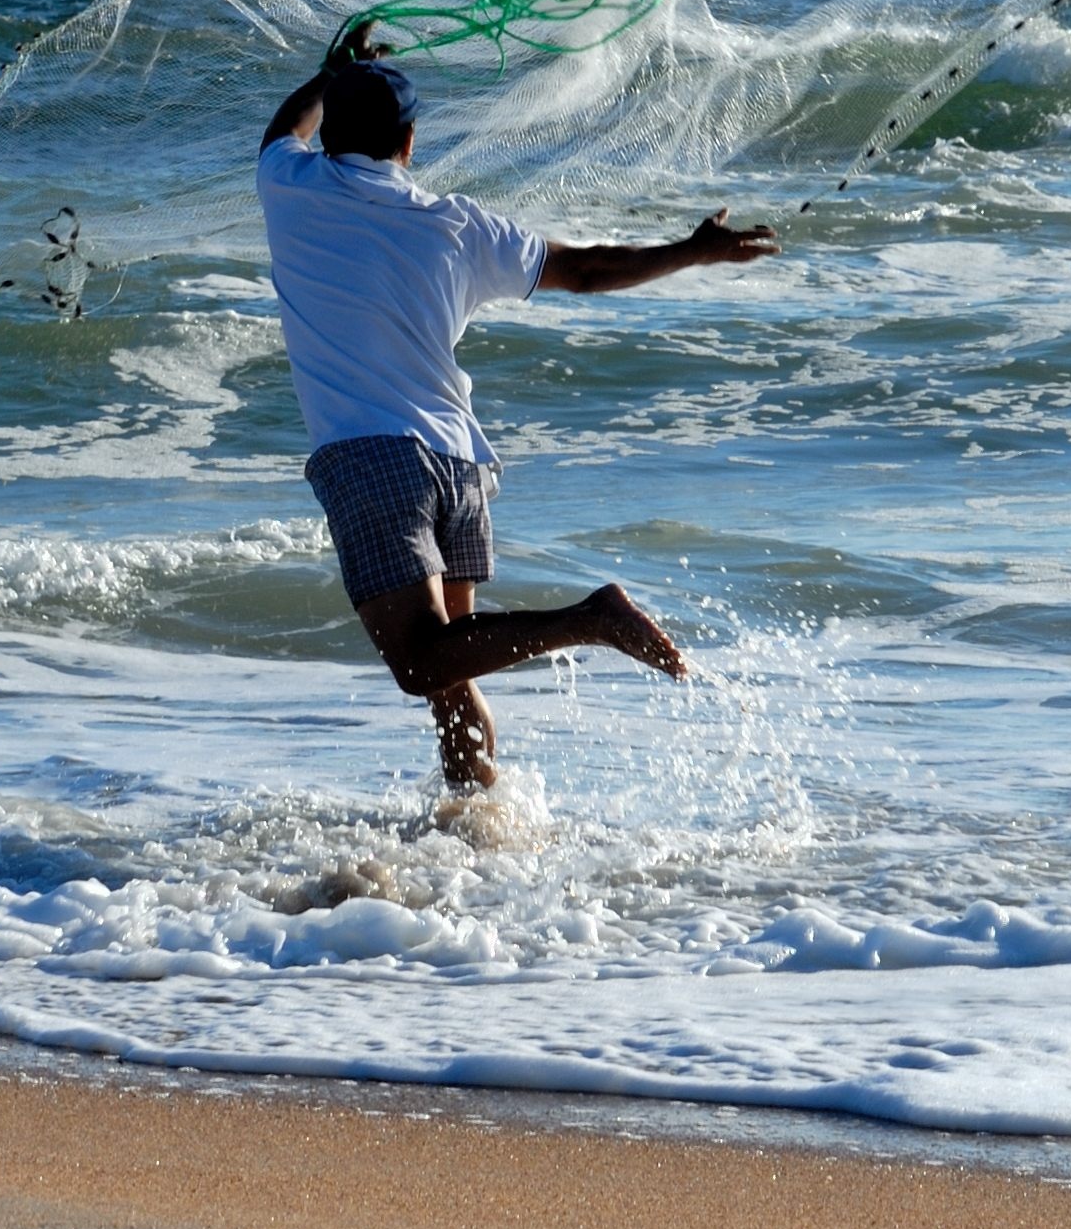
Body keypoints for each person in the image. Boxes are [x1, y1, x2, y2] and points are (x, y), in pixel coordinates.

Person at [256, 39, 777, 787]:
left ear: (328, 132)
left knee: (418, 662)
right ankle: (474, 829)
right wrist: (690, 251)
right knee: (449, 678)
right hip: (460, 465)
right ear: (409, 144)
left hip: (372, 459)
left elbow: (281, 129)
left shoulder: (289, 184)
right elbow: (587, 270)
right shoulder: (458, 226)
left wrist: (328, 74)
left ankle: (590, 617)